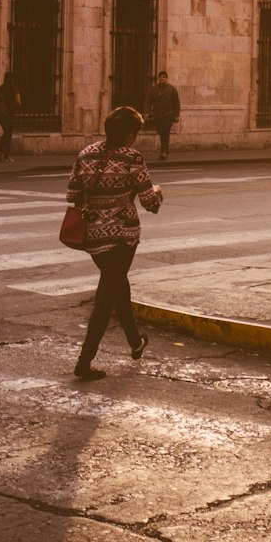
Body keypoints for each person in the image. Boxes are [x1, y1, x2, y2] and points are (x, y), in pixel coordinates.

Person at [67, 106, 163, 381]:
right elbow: (150, 203)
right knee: (106, 298)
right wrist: (158, 191)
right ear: (131, 134)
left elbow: (73, 193)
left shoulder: (86, 154)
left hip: (92, 238)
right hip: (122, 237)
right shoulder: (132, 157)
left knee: (118, 285)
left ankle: (135, 343)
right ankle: (84, 362)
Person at [147, 69, 181, 161]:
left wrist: (177, 115)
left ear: (166, 79)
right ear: (158, 78)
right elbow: (149, 102)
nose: (162, 78)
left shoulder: (172, 89)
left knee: (165, 132)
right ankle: (165, 150)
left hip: (168, 114)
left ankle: (164, 152)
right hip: (157, 115)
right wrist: (147, 113)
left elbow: (176, 103)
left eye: (164, 77)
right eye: (160, 77)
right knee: (161, 132)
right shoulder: (154, 89)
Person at [0, 70, 21, 161]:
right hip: (10, 113)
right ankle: (6, 156)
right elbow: (18, 101)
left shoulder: (0, 88)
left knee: (6, 132)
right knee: (8, 134)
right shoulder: (14, 89)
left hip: (1, 114)